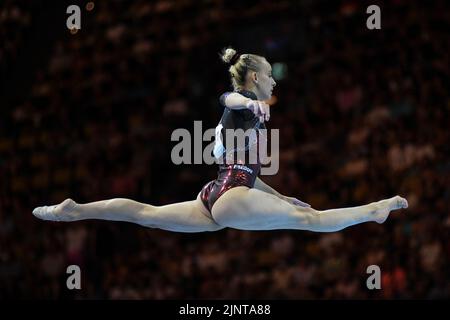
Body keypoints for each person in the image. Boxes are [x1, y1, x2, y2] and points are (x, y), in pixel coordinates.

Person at [32, 47, 408, 232]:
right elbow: (226, 99)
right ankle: (373, 211)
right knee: (310, 220)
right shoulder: (242, 104)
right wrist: (248, 101)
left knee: (144, 214)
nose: (274, 80)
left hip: (215, 194)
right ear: (254, 78)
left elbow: (245, 170)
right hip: (229, 197)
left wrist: (278, 196)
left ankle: (74, 210)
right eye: (269, 75)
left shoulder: (251, 115)